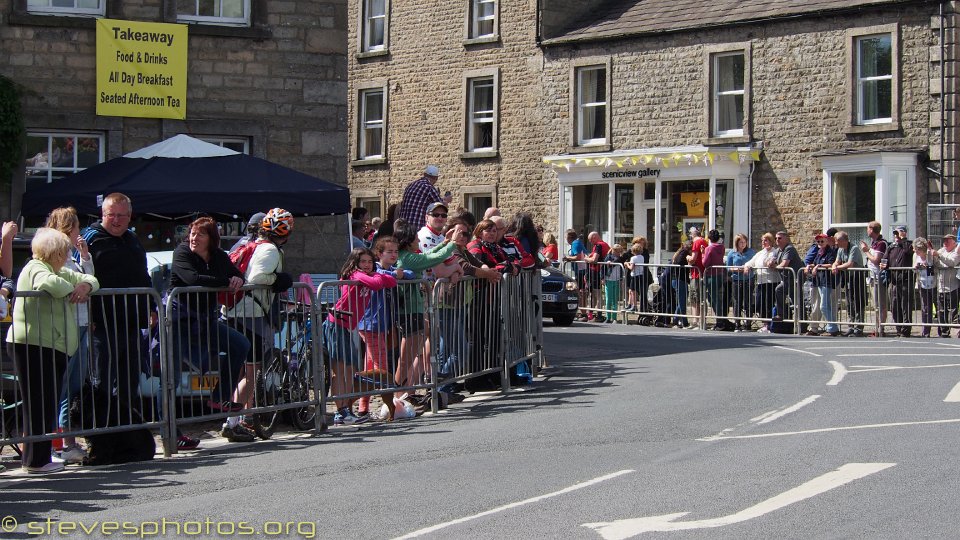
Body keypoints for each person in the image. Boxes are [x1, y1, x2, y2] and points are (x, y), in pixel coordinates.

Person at [7, 228, 99, 474]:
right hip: (32, 344)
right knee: (38, 403)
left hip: (49, 345)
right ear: (55, 252)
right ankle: (36, 461)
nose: (67, 254)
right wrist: (73, 289)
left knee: (46, 402)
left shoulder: (56, 269)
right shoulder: (36, 267)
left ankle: (39, 456)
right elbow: (48, 284)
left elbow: (91, 279)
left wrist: (84, 287)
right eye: (64, 250)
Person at [168, 217, 252, 443]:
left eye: (200, 235)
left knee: (240, 345)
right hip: (178, 322)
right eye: (192, 234)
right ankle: (171, 435)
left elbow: (238, 274)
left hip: (205, 321)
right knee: (171, 379)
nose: (194, 238)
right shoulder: (182, 253)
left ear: (211, 239)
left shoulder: (218, 256)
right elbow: (191, 278)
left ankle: (220, 397)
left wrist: (236, 279)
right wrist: (224, 280)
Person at [82, 193, 154, 428]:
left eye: (121, 215)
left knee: (129, 383)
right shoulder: (89, 238)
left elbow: (143, 275)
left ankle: (127, 433)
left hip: (132, 324)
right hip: (102, 324)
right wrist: (89, 314)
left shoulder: (133, 239)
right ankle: (101, 435)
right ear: (103, 214)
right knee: (101, 383)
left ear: (130, 216)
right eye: (111, 215)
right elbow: (79, 277)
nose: (116, 220)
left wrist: (151, 307)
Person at [225, 208, 295, 437]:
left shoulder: (252, 245)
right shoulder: (270, 250)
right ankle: (233, 421)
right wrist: (278, 280)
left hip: (239, 311)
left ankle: (239, 418)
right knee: (252, 370)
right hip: (251, 313)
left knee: (245, 369)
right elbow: (256, 279)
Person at [325, 248, 397, 425]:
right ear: (355, 263)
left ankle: (345, 410)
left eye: (369, 262)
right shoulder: (355, 274)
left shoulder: (369, 275)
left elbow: (392, 281)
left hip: (348, 327)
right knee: (340, 371)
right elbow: (377, 284)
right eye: (363, 261)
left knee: (350, 370)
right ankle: (340, 411)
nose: (367, 265)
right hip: (337, 324)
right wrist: (376, 275)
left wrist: (376, 274)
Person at [46, 207, 95, 463]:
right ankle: (64, 443)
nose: (80, 231)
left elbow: (90, 278)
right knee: (67, 385)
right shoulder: (57, 256)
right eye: (76, 226)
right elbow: (74, 283)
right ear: (69, 227)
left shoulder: (72, 255)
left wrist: (85, 256)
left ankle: (68, 441)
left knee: (74, 384)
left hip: (82, 323)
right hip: (69, 326)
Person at [394, 219, 459, 401]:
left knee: (413, 352)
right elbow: (430, 259)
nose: (417, 239)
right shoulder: (407, 258)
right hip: (409, 310)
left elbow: (428, 254)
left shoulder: (409, 256)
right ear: (408, 240)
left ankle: (408, 392)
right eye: (415, 237)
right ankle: (398, 395)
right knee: (406, 356)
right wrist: (452, 243)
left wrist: (445, 243)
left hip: (414, 309)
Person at [742, 232, 780, 332]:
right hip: (760, 281)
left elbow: (771, 261)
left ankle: (768, 325)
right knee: (759, 303)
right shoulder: (760, 253)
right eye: (762, 240)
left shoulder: (775, 252)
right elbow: (751, 262)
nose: (763, 242)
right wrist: (747, 266)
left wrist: (771, 262)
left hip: (771, 281)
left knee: (768, 303)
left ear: (771, 241)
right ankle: (765, 323)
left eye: (766, 240)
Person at [832, 231, 866, 337]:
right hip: (848, 278)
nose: (836, 243)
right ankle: (851, 326)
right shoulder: (841, 250)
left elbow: (850, 264)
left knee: (858, 302)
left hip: (857, 277)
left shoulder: (854, 248)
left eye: (837, 241)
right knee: (849, 302)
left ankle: (858, 327)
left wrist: (837, 267)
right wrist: (834, 265)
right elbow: (837, 261)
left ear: (843, 240)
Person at [769, 230, 804, 331]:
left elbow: (784, 264)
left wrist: (775, 266)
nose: (777, 240)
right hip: (786, 279)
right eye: (776, 238)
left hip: (795, 279)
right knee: (779, 290)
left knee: (797, 302)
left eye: (779, 238)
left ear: (786, 238)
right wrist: (770, 262)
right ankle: (782, 314)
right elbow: (772, 259)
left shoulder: (789, 249)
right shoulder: (778, 250)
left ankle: (802, 325)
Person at [859, 221, 889, 336]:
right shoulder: (874, 242)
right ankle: (877, 327)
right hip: (872, 277)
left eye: (868, 228)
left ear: (872, 229)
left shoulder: (881, 243)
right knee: (876, 304)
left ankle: (880, 329)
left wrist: (866, 251)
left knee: (880, 304)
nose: (867, 231)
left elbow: (876, 260)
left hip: (878, 277)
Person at [882, 225, 914, 337]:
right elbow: (885, 260)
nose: (896, 236)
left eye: (898, 233)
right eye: (895, 234)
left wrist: (903, 239)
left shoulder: (909, 244)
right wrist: (883, 265)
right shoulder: (891, 247)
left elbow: (908, 252)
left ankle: (906, 330)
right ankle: (898, 329)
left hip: (906, 280)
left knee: (905, 306)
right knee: (894, 306)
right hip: (894, 281)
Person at [809, 233, 839, 336]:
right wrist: (809, 266)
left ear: (826, 241)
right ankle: (831, 327)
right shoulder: (819, 252)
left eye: (822, 241)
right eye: (818, 241)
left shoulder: (830, 252)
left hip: (827, 281)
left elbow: (831, 263)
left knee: (824, 306)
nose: (820, 243)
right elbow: (815, 262)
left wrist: (818, 266)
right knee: (822, 305)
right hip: (819, 281)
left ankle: (832, 328)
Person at [398, 165, 443, 231]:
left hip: (402, 227)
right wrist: (446, 201)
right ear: (436, 178)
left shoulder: (410, 185)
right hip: (417, 228)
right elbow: (441, 207)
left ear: (424, 174)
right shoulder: (429, 188)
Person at [703, 229, 732, 331]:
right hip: (720, 274)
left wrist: (703, 253)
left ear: (710, 238)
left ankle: (719, 321)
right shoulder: (722, 247)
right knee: (715, 298)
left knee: (714, 299)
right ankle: (720, 319)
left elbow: (705, 263)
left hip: (711, 275)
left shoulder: (709, 248)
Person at [726, 233, 756, 331]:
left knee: (748, 301)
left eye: (744, 242)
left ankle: (748, 323)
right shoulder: (732, 253)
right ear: (737, 243)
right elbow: (728, 267)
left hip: (748, 279)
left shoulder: (751, 252)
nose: (743, 244)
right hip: (736, 279)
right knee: (737, 302)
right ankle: (737, 323)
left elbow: (755, 264)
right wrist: (736, 269)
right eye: (741, 242)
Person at [932, 234, 960, 337]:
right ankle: (944, 332)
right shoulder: (942, 250)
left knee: (953, 311)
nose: (945, 243)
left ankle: (954, 332)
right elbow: (936, 263)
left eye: (948, 241)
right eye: (944, 241)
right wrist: (933, 254)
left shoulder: (956, 251)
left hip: (952, 286)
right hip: (941, 286)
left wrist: (939, 257)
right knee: (941, 311)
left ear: (953, 242)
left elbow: (952, 262)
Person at [583, 231, 611, 322]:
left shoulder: (599, 245)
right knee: (595, 294)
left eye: (591, 240)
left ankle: (598, 315)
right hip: (599, 272)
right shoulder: (606, 245)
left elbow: (594, 259)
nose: (590, 242)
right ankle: (592, 314)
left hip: (596, 272)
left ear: (595, 237)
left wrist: (586, 259)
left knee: (596, 294)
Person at [913, 237, 936, 337]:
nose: (915, 251)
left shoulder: (930, 255)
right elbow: (914, 269)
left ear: (922, 249)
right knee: (925, 309)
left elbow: (936, 268)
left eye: (917, 249)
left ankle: (942, 331)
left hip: (934, 284)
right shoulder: (915, 256)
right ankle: (925, 332)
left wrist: (927, 267)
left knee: (938, 308)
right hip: (922, 284)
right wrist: (916, 267)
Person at [686, 227, 707, 329]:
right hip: (703, 273)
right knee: (701, 299)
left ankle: (696, 321)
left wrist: (687, 257)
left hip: (697, 273)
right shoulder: (704, 241)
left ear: (692, 234)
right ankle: (700, 321)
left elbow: (693, 259)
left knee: (695, 298)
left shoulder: (696, 242)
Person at [670, 241, 692, 328]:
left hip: (679, 279)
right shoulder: (684, 252)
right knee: (682, 301)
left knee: (682, 300)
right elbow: (679, 262)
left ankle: (675, 319)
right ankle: (684, 321)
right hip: (680, 279)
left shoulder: (680, 252)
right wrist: (688, 259)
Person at [603, 244, 624, 323]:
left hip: (617, 280)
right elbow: (603, 268)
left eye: (619, 252)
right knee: (608, 299)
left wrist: (621, 279)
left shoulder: (620, 259)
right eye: (617, 251)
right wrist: (603, 278)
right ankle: (608, 317)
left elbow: (621, 270)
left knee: (615, 300)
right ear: (613, 250)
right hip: (609, 279)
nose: (618, 253)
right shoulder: (608, 257)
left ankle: (614, 317)